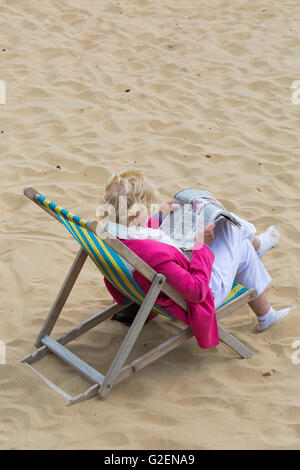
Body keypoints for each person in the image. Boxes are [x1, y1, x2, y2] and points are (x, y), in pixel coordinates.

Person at [99, 169, 292, 348]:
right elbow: (197, 292)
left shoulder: (109, 235)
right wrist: (201, 245)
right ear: (138, 213)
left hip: (150, 287)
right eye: (150, 206)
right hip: (203, 294)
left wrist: (159, 216)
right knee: (233, 230)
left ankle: (264, 301)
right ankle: (256, 245)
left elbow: (137, 231)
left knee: (240, 244)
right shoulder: (153, 255)